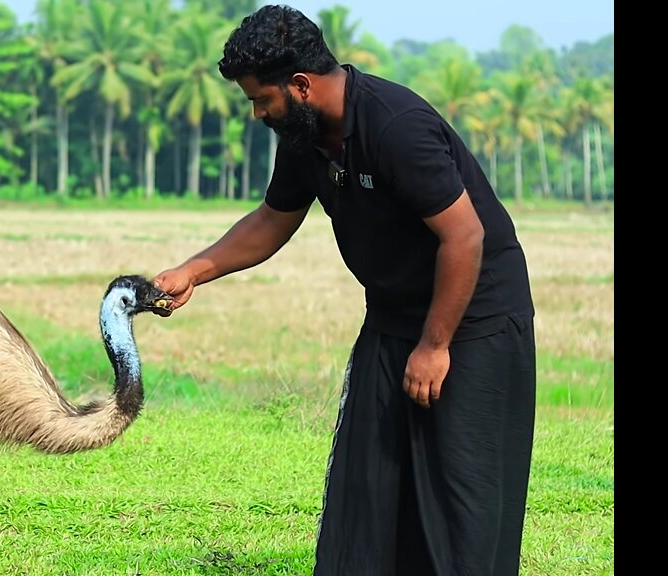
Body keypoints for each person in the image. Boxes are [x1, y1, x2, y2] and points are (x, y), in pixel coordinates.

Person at [151, 5, 537, 576]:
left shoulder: (394, 125)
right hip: (391, 317)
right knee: (370, 492)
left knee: (463, 505)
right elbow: (273, 219)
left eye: (262, 99)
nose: (258, 114)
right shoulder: (304, 134)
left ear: (301, 85)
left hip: (472, 323)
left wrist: (435, 346)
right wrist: (193, 271)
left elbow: (464, 236)